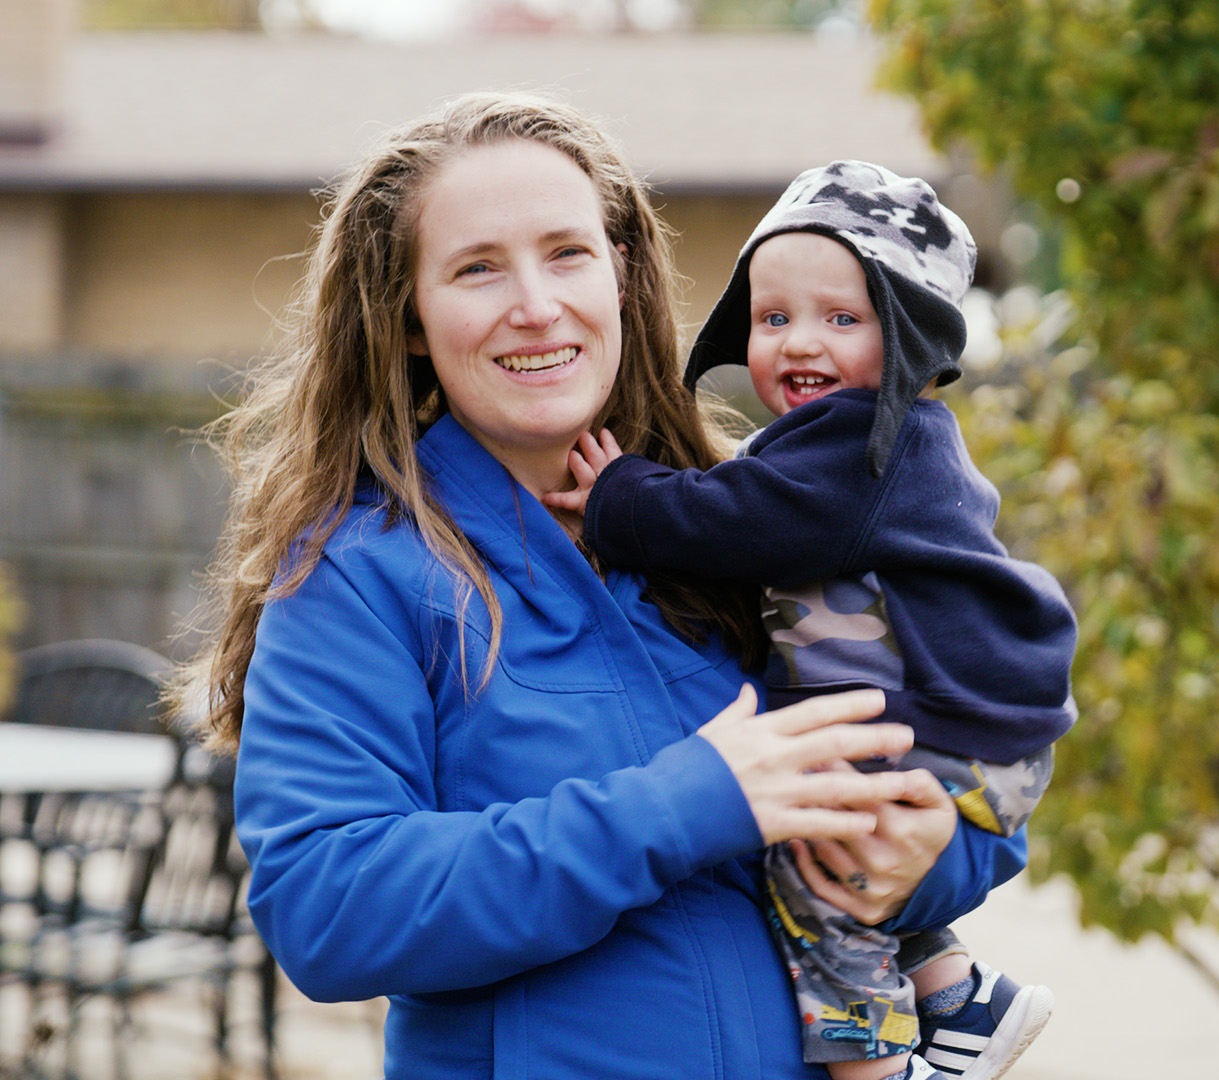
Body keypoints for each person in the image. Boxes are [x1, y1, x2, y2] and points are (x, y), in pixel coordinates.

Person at [171, 94, 1026, 1080]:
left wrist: (929, 861)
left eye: (567, 253)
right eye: (477, 267)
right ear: (408, 318)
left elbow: (952, 771)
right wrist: (684, 803)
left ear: (621, 274)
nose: (535, 303)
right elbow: (328, 909)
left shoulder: (747, 523)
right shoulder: (360, 574)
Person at [543, 161, 1076, 1080]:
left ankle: (875, 1064)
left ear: (907, 339)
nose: (800, 343)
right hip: (969, 727)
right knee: (837, 821)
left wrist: (620, 498)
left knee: (811, 854)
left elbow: (734, 518)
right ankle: (958, 995)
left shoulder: (869, 444)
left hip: (949, 727)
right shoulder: (860, 446)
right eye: (773, 317)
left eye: (843, 318)